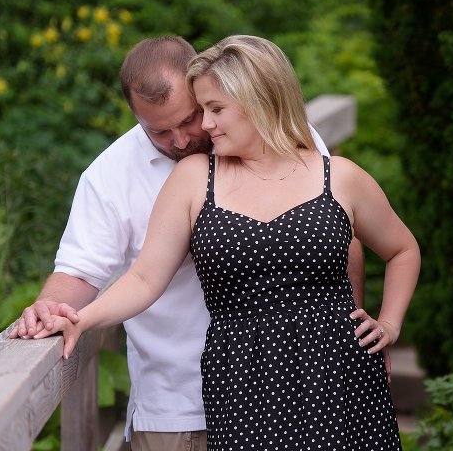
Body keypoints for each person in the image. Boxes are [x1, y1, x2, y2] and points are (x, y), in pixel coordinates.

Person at [34, 35, 421, 450]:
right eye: (162, 130)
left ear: (257, 100)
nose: (195, 132)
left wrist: (385, 325)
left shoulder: (328, 167)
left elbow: (379, 247)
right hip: (230, 387)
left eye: (207, 112)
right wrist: (77, 318)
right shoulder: (182, 177)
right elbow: (143, 277)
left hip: (338, 380)